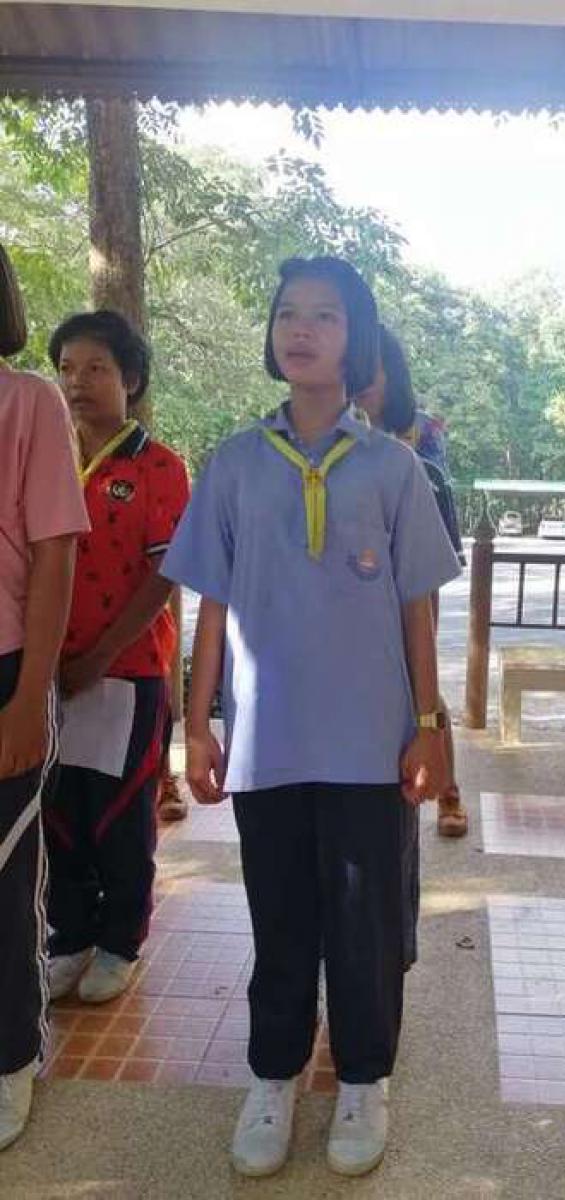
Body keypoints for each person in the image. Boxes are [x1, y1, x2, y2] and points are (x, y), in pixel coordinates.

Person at [161, 256, 460, 1180]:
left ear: (354, 339)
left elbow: (417, 607)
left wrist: (428, 722)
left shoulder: (395, 467)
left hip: (370, 742)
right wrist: (197, 725)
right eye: (288, 312)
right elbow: (210, 603)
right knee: (280, 915)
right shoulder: (235, 464)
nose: (301, 329)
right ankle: (274, 1074)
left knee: (365, 925)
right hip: (268, 741)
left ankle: (365, 1078)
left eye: (325, 316)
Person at [43, 311, 190, 1006]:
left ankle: (120, 942)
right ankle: (70, 935)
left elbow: (164, 577)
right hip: (47, 671)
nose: (78, 382)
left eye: (96, 368)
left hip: (126, 674)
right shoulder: (43, 457)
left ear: (130, 379)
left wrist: (99, 656)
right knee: (58, 811)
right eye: (66, 368)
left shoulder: (160, 468)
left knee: (120, 816)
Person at [0, 243, 88, 1148]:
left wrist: (31, 697)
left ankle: (12, 1057)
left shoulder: (28, 401)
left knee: (6, 874)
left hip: (7, 672)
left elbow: (55, 554)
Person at [354, 323, 468, 837]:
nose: (363, 381)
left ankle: (449, 789)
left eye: (373, 369)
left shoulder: (421, 431)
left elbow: (436, 497)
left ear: (392, 373)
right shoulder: (334, 429)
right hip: (358, 577)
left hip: (416, 564)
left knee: (421, 675)